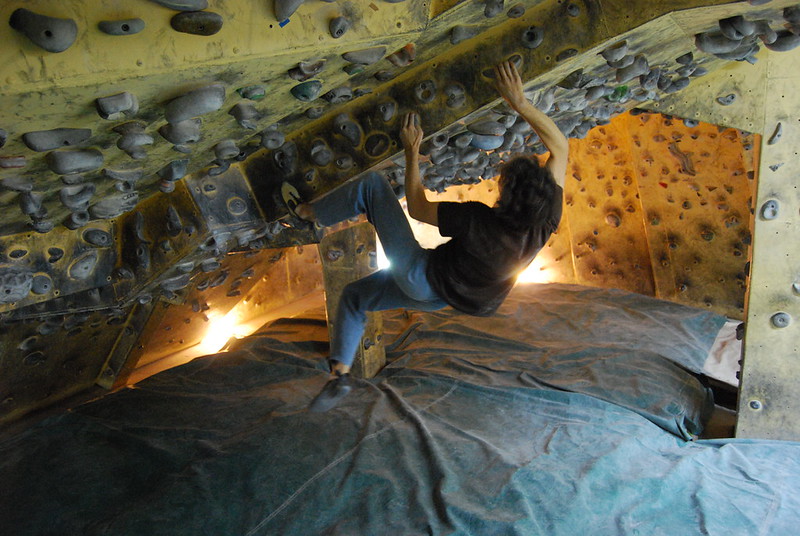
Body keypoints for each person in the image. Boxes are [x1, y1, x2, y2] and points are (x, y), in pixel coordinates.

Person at [289, 60, 568, 412]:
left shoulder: (477, 221)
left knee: (372, 187)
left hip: (420, 275)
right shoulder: (546, 217)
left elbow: (419, 207)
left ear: (508, 198)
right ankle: (339, 375)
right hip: (444, 297)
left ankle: (308, 215)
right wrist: (520, 103)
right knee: (354, 297)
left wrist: (411, 152)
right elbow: (561, 147)